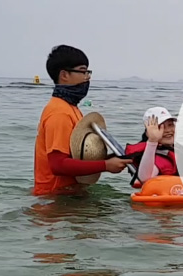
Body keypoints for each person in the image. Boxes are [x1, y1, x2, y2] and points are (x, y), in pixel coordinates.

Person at [32, 44, 130, 196]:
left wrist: (116, 158)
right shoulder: (59, 113)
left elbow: (78, 156)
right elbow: (58, 165)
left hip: (71, 194)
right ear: (64, 75)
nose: (88, 77)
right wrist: (105, 165)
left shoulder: (71, 108)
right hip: (54, 199)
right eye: (83, 71)